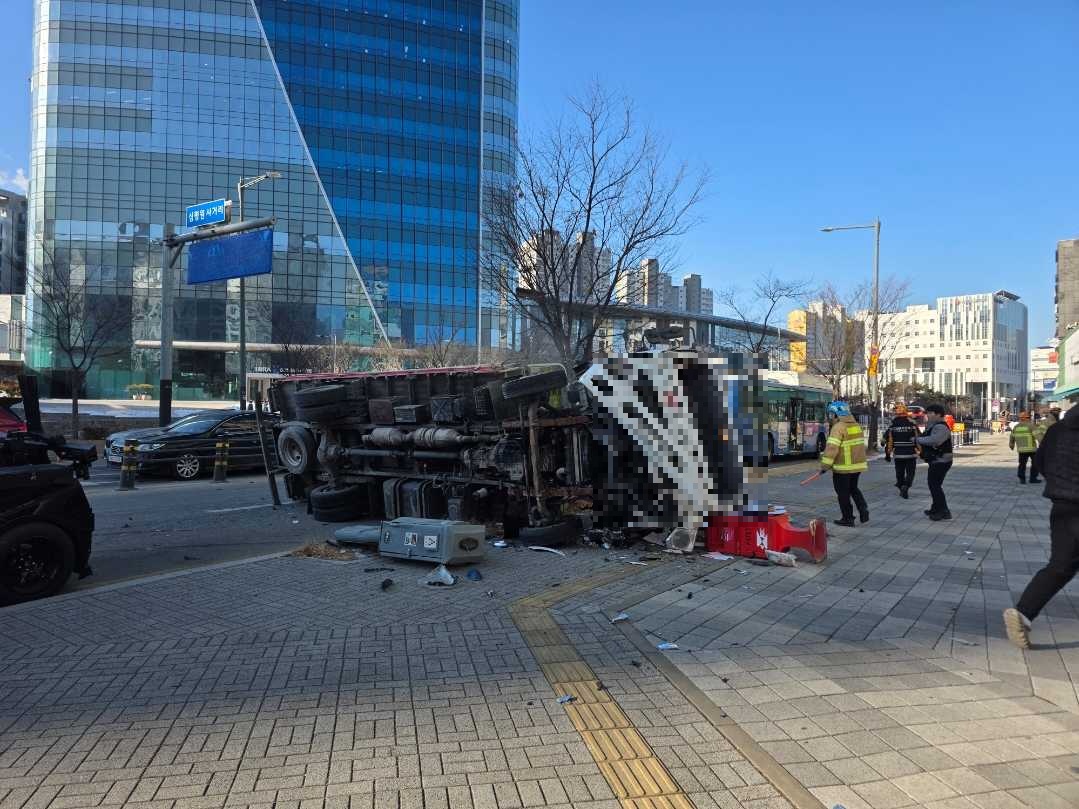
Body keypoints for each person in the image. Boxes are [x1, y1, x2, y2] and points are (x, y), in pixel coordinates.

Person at [1004, 405, 1079, 649]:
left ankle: (1023, 613)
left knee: (1060, 565)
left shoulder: (1057, 430)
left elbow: (1042, 461)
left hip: (1063, 505)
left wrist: (1061, 486)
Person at [820, 400, 868, 527]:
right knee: (854, 489)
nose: (831, 418)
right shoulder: (856, 425)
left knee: (843, 493)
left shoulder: (838, 427)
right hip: (857, 466)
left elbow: (832, 449)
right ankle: (863, 509)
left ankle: (848, 518)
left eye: (832, 415)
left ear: (836, 414)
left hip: (843, 468)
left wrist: (825, 466)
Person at [915, 403, 953, 521]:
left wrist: (917, 440)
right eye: (927, 413)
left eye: (930, 413)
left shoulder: (941, 427)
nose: (928, 415)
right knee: (935, 486)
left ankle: (944, 511)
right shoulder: (934, 425)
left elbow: (935, 440)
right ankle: (936, 508)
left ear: (938, 414)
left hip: (941, 460)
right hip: (937, 459)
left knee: (934, 486)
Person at [881, 404, 919, 499]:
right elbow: (919, 437)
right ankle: (906, 486)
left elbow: (886, 438)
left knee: (899, 472)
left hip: (898, 454)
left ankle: (901, 485)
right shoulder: (912, 423)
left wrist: (887, 452)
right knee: (910, 473)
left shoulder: (893, 424)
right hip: (911, 453)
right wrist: (922, 451)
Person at [1009, 411, 1039, 484]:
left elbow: (1012, 437)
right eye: (1029, 417)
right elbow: (1038, 435)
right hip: (1032, 449)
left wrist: (1011, 445)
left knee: (1022, 465)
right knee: (1035, 464)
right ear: (1027, 418)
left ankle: (1022, 479)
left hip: (1021, 449)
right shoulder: (1031, 426)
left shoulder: (1016, 427)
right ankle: (1033, 478)